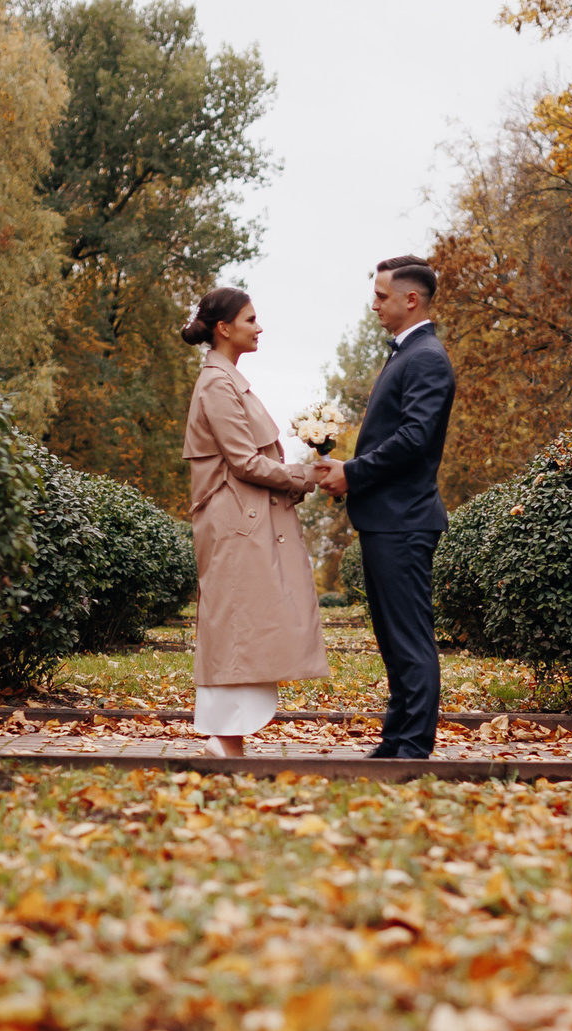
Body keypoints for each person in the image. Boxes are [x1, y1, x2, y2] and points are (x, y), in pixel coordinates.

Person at [315, 257, 455, 759]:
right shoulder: (408, 354)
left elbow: (415, 438)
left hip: (404, 520)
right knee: (395, 641)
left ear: (409, 299)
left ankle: (412, 749)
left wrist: (352, 472)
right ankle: (396, 740)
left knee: (409, 640)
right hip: (386, 519)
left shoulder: (426, 357)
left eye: (380, 295)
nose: (373, 304)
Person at [180, 287, 328, 758]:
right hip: (235, 526)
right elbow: (244, 461)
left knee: (246, 625)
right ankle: (223, 740)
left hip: (242, 521)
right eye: (250, 319)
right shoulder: (218, 385)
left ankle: (230, 741)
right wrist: (304, 476)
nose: (258, 327)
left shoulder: (227, 381)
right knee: (236, 624)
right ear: (224, 329)